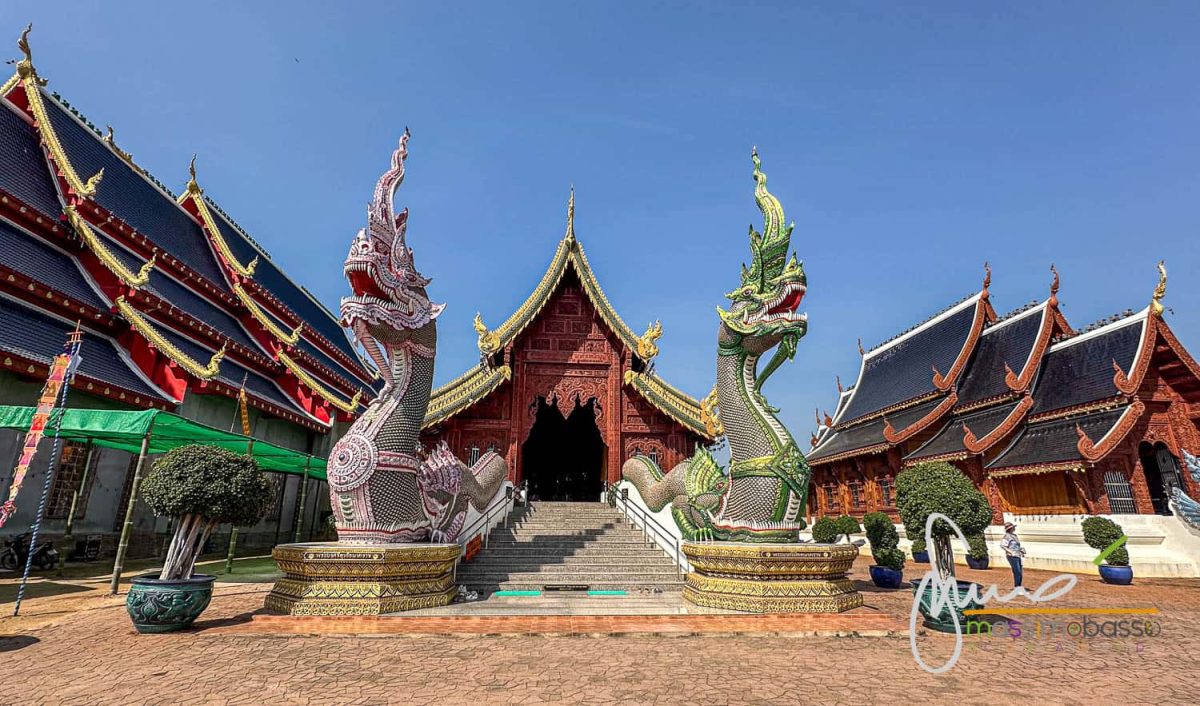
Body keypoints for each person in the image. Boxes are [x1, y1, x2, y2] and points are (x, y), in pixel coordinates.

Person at [1001, 521, 1026, 589]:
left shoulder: (1014, 536)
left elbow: (1016, 546)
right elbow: (1003, 546)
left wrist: (1021, 550)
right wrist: (1010, 552)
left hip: (1017, 555)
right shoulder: (1007, 536)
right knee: (1017, 571)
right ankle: (1017, 587)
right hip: (1011, 556)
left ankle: (1018, 586)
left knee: (1020, 571)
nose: (1014, 528)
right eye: (1013, 527)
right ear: (1010, 528)